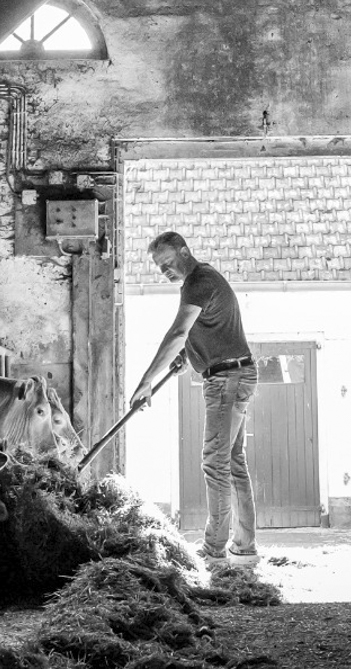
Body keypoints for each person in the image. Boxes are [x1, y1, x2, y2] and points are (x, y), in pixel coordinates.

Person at [130, 231, 258, 566]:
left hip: (226, 379)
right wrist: (190, 356)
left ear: (184, 252)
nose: (165, 272)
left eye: (168, 263)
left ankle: (214, 550)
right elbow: (211, 327)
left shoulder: (197, 282)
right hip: (235, 372)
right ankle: (244, 547)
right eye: (160, 268)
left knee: (215, 463)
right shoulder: (205, 278)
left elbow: (178, 332)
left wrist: (146, 381)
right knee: (231, 462)